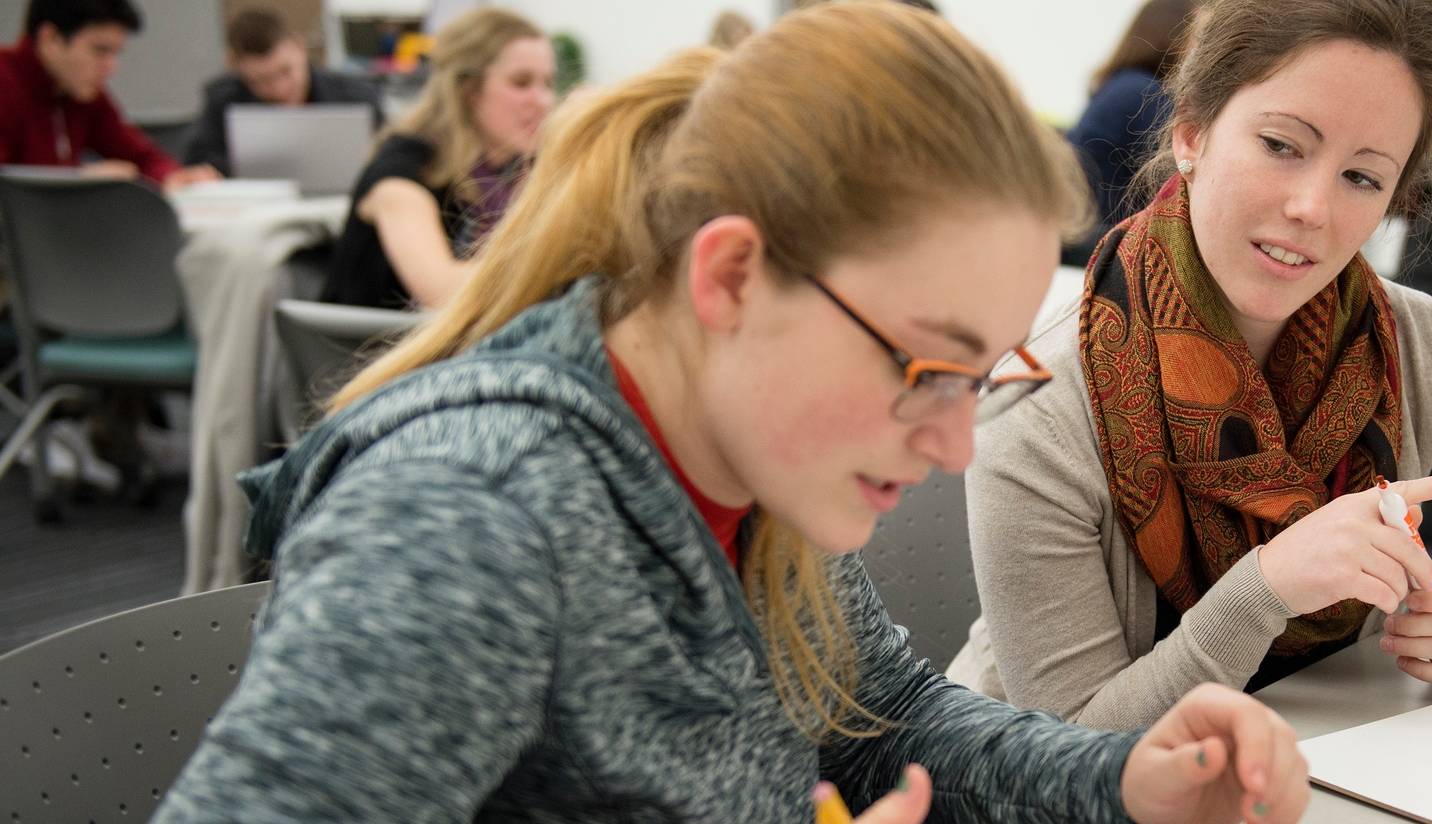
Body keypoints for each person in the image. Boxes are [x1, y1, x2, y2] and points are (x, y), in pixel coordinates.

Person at [153, 4, 1311, 822]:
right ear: (730, 278)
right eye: (927, 369)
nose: (959, 443)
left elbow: (879, 718)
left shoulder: (759, 456)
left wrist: (1117, 782)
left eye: (985, 375)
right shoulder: (472, 517)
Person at [946, 0, 1432, 732]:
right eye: (1281, 145)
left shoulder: (1416, 348)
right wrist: (1264, 590)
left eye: (1362, 178)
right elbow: (1067, 750)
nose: (1312, 208)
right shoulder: (1041, 406)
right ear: (1192, 134)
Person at [319, 8, 554, 311]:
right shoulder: (401, 172)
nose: (543, 100)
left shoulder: (516, 169)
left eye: (547, 83)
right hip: (380, 352)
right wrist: (556, 259)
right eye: (521, 83)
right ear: (468, 90)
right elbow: (442, 292)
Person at [0, 0, 219, 189]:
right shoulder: (7, 83)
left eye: (116, 53)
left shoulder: (79, 91)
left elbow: (140, 156)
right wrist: (76, 181)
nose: (111, 66)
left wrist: (173, 176)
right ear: (51, 38)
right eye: (100, 50)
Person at [182, 7, 385, 177]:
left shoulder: (356, 97)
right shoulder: (223, 99)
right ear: (236, 67)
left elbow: (388, 157)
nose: (280, 89)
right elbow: (200, 159)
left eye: (285, 71)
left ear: (300, 48)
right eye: (260, 81)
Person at [1069, 0, 1194, 233]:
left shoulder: (1123, 83)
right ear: (1173, 38)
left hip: (1081, 225)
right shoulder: (1145, 94)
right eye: (1198, 39)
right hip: (1102, 237)